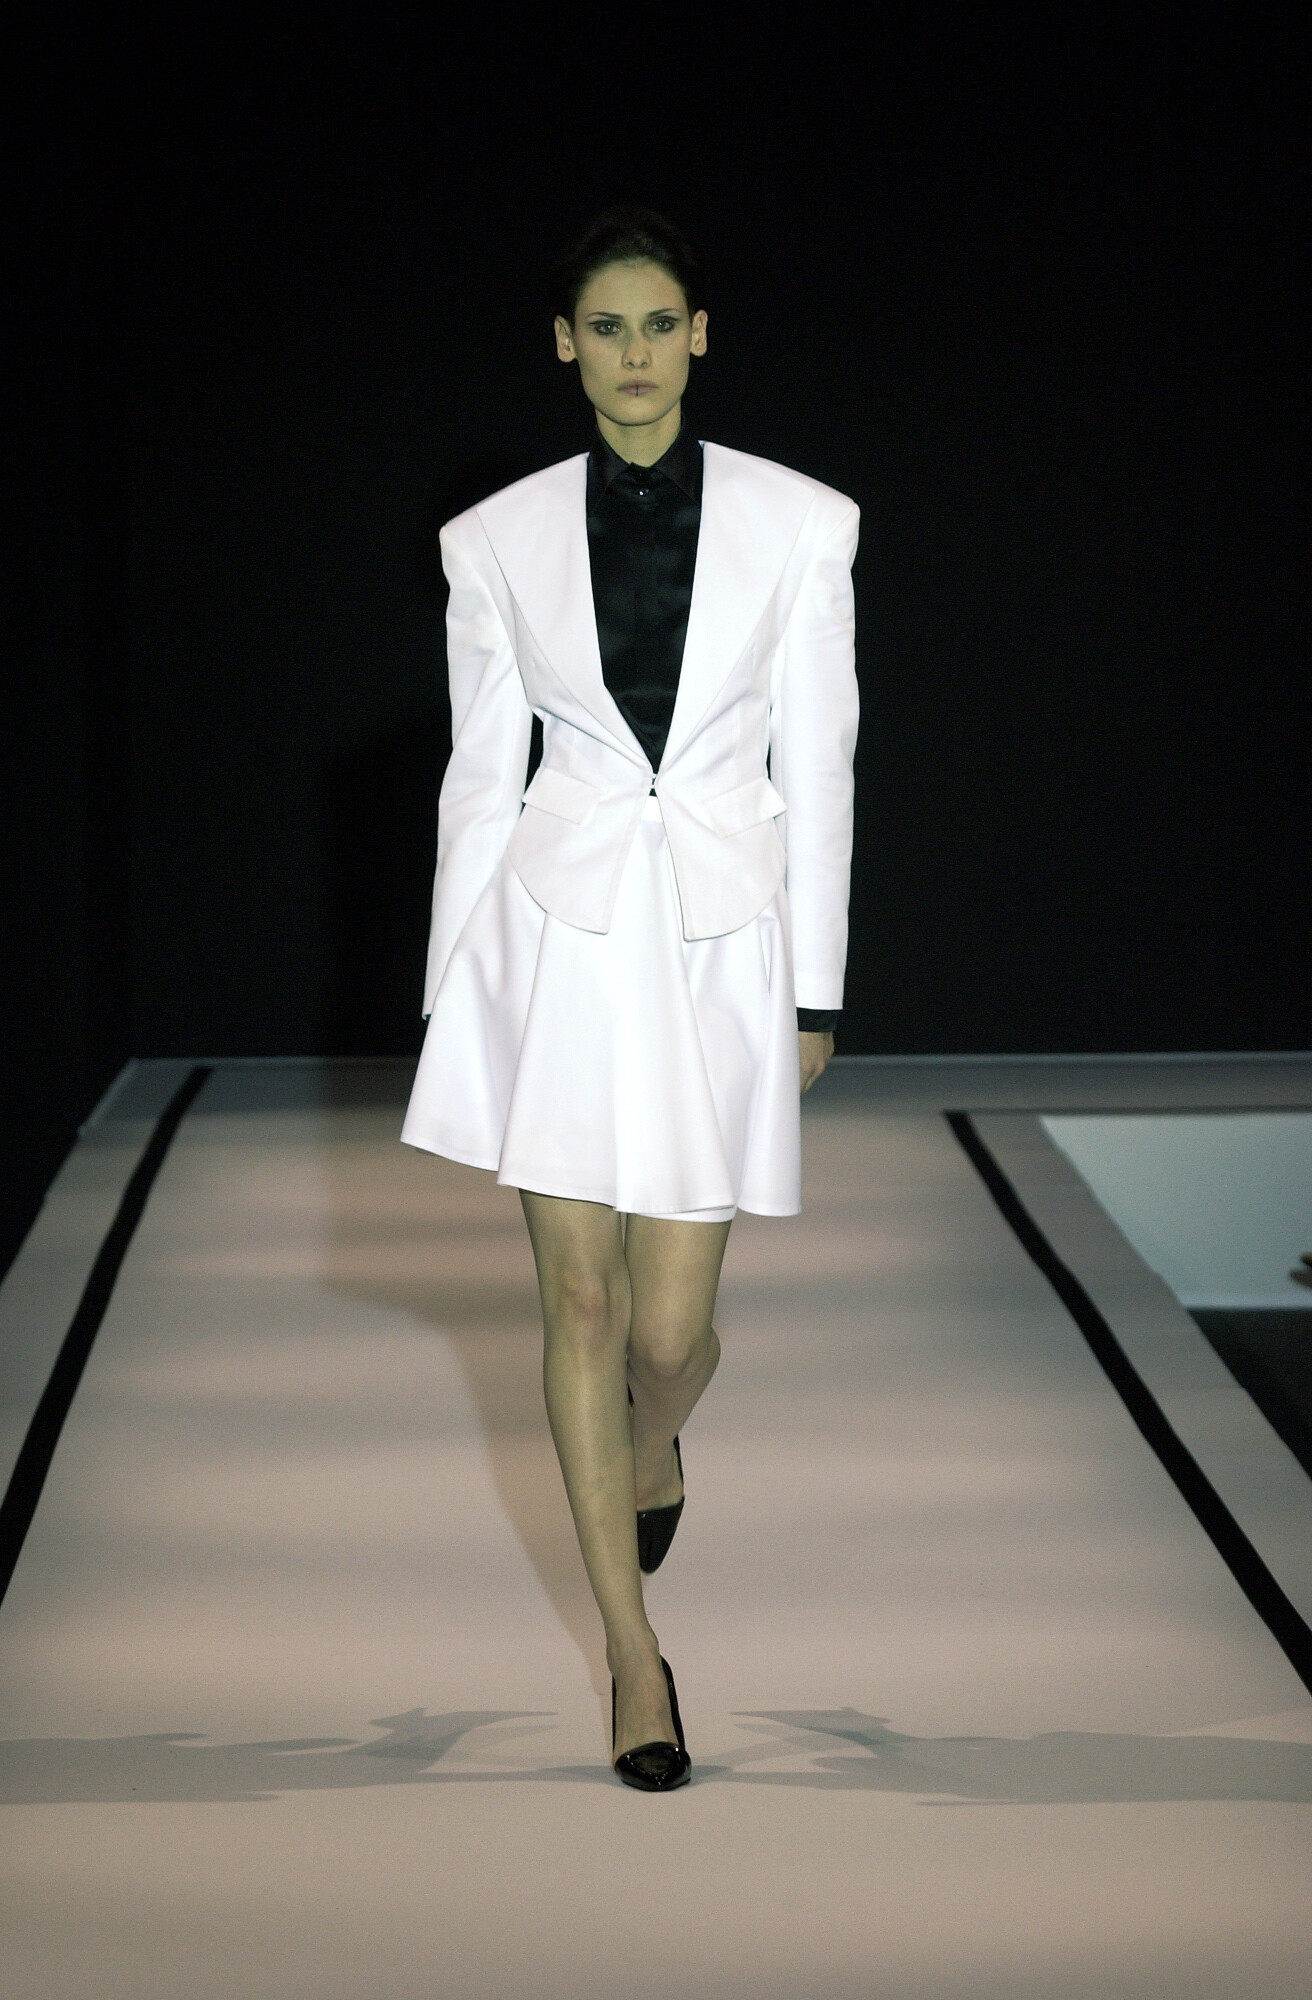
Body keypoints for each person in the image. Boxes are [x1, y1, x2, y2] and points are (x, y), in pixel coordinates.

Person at [402, 208, 859, 1790]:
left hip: (721, 945)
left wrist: (816, 992)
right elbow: (480, 776)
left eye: (661, 323)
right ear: (565, 346)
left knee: (670, 1332)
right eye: (607, 327)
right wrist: (454, 990)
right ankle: (635, 1659)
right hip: (561, 939)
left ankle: (654, 1438)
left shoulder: (804, 525)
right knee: (580, 1310)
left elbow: (823, 763)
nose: (636, 353)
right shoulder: (493, 540)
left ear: (701, 335)